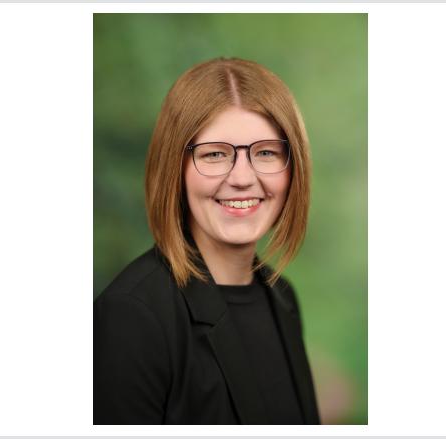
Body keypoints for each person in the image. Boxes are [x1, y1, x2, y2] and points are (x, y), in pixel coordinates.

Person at [93, 57, 319, 425]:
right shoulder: (132, 317)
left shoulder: (282, 298)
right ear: (174, 167)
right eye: (215, 154)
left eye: (265, 152)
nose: (242, 178)